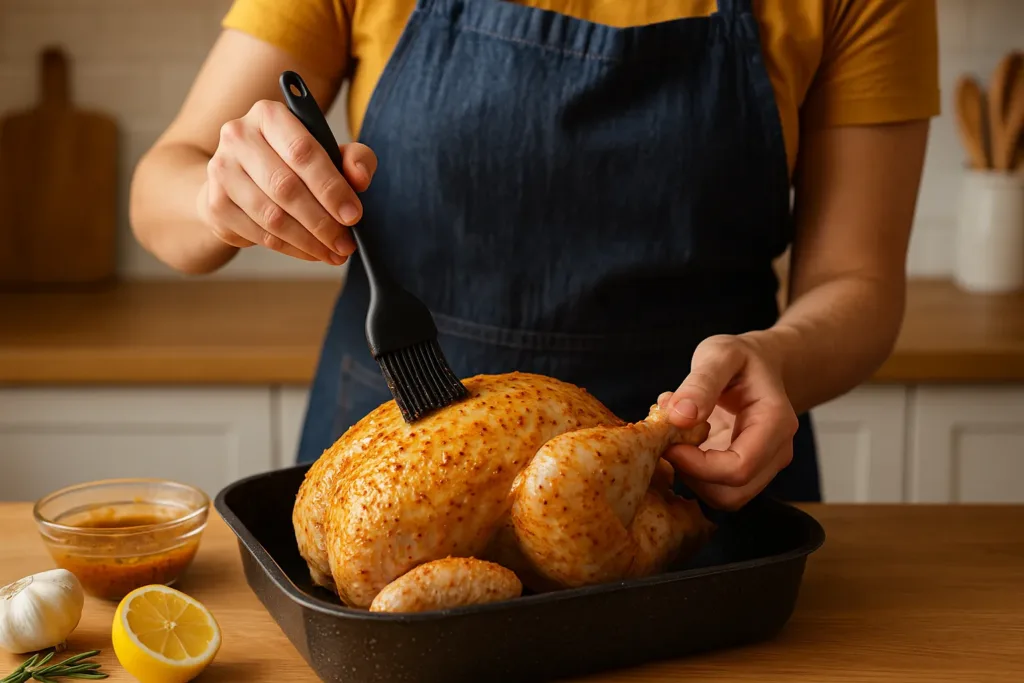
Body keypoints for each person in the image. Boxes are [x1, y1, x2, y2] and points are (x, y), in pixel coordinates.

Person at [130, 0, 938, 509]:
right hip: (395, 450)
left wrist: (780, 359)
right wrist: (219, 196)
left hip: (690, 469)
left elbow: (857, 281)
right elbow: (160, 192)